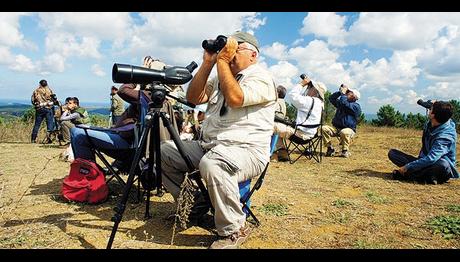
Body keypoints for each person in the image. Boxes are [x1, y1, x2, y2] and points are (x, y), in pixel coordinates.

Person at [160, 31, 276, 249]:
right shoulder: (219, 75)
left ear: (253, 55)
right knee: (165, 152)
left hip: (246, 151)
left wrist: (221, 61)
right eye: (226, 49)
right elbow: (193, 98)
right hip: (210, 146)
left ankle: (234, 229)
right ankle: (196, 206)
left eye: (235, 48)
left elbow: (235, 98)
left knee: (213, 164)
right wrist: (208, 63)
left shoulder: (260, 77)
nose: (228, 53)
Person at [70, 56, 179, 171]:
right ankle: (93, 173)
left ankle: (88, 177)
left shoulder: (149, 96)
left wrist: (139, 74)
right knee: (79, 131)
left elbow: (123, 90)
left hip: (127, 146)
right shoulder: (162, 100)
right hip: (130, 143)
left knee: (78, 133)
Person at [388, 101, 459, 184]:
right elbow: (444, 110)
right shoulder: (441, 118)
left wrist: (408, 167)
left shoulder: (445, 136)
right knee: (393, 153)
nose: (429, 110)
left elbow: (431, 158)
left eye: (431, 109)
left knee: (442, 164)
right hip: (424, 160)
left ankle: (409, 175)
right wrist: (432, 104)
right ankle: (424, 176)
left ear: (433, 115)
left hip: (437, 164)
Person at [272, 78, 326, 162]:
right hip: (310, 135)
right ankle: (282, 153)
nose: (308, 89)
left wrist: (301, 84)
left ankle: (274, 155)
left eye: (310, 87)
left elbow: (292, 96)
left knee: (269, 126)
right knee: (279, 127)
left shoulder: (309, 101)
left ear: (315, 91)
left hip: (300, 135)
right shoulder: (320, 103)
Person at [321, 84, 361, 158]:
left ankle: (345, 150)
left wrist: (343, 94)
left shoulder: (356, 106)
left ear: (354, 97)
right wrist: (339, 92)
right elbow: (331, 98)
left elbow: (344, 104)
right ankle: (330, 148)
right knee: (323, 128)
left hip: (349, 129)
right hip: (337, 128)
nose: (347, 93)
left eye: (350, 92)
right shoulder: (342, 102)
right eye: (347, 92)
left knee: (344, 132)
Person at [30, 79, 55, 143]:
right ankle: (49, 139)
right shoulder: (49, 90)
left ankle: (33, 139)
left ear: (40, 84)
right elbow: (53, 100)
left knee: (37, 125)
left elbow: (33, 100)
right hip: (48, 108)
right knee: (49, 125)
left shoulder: (36, 91)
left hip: (39, 109)